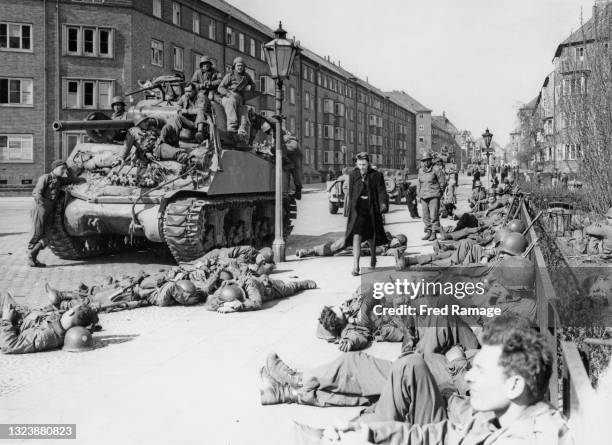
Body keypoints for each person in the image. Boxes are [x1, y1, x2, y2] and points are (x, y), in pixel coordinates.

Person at [319, 315, 570, 445]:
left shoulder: (530, 438)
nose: (470, 375)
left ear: (514, 385)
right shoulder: (498, 417)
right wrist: (369, 433)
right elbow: (440, 435)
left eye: (480, 370)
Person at [28, 159, 81, 267]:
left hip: (50, 209)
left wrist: (81, 178)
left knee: (48, 235)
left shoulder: (59, 179)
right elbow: (36, 193)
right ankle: (31, 257)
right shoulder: (46, 177)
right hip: (41, 207)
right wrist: (42, 208)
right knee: (37, 232)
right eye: (62, 168)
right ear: (55, 168)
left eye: (65, 169)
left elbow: (71, 180)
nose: (63, 171)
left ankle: (32, 254)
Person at [345, 153, 388, 276]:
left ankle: (373, 257)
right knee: (356, 236)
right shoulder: (353, 175)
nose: (361, 167)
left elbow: (381, 191)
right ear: (356, 164)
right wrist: (349, 209)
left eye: (364, 164)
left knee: (370, 237)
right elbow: (351, 192)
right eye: (359, 164)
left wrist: (383, 204)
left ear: (368, 163)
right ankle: (356, 266)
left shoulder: (376, 175)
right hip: (357, 210)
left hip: (371, 209)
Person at [0, 302, 98, 354]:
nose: (68, 310)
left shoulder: (46, 336)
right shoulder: (58, 322)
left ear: (71, 312)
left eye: (70, 309)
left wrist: (6, 319)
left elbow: (9, 345)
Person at [206, 274, 317, 313]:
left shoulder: (250, 285)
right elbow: (211, 302)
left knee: (288, 289)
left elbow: (257, 303)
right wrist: (224, 304)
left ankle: (303, 284)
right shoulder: (225, 288)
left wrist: (237, 307)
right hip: (258, 282)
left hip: (269, 288)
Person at [217, 56, 256, 135]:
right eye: (238, 65)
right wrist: (227, 93)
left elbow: (253, 85)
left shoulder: (246, 76)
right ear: (234, 66)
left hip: (241, 98)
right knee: (231, 101)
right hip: (230, 95)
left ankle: (242, 129)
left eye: (241, 66)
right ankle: (232, 126)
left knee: (244, 111)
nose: (240, 67)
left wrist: (250, 87)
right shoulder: (230, 75)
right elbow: (220, 87)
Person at [295, 234, 407, 258]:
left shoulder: (387, 249)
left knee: (335, 251)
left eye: (398, 244)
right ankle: (307, 251)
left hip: (358, 250)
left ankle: (310, 252)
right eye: (397, 241)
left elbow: (398, 252)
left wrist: (400, 248)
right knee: (335, 247)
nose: (396, 244)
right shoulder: (385, 234)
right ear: (395, 237)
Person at [416, 152, 446, 241]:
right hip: (423, 196)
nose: (425, 163)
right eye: (423, 161)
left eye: (427, 160)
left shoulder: (436, 169)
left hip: (434, 195)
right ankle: (428, 232)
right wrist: (418, 193)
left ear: (430, 160)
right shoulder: (421, 171)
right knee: (425, 216)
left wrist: (439, 193)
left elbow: (443, 182)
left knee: (434, 216)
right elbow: (419, 182)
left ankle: (434, 233)